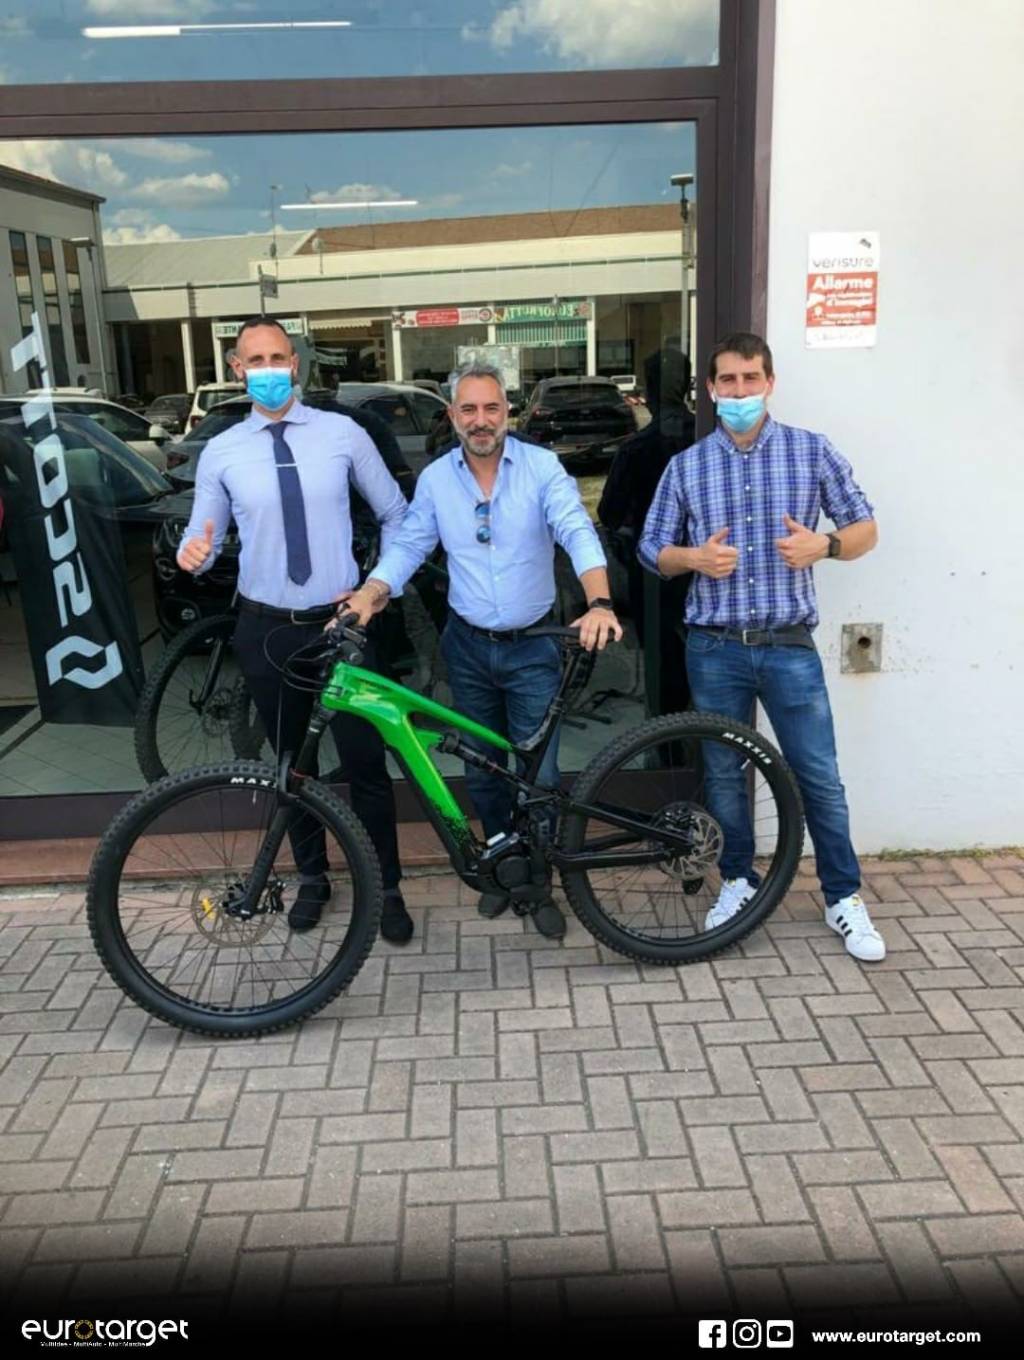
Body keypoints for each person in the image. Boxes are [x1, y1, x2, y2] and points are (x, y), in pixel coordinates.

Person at [342, 360, 623, 940]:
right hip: (467, 649)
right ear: (452, 416)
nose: (480, 420)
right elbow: (411, 543)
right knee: (484, 772)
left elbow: (576, 530)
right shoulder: (437, 480)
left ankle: (540, 882)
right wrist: (371, 592)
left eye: (491, 408)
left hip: (533, 648)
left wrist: (598, 601)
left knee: (539, 776)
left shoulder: (541, 468)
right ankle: (502, 869)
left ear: (507, 412)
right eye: (468, 409)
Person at [638, 331, 884, 962]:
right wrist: (693, 558)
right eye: (728, 380)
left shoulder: (811, 451)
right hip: (714, 647)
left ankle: (842, 896)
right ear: (711, 389)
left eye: (751, 378)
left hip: (787, 646)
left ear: (769, 382)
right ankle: (738, 881)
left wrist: (826, 545)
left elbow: (866, 528)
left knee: (818, 775)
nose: (740, 390)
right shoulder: (687, 466)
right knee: (724, 772)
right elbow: (650, 549)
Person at [176, 316, 414, 944]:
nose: (269, 371)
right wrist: (192, 551)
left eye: (278, 358)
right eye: (255, 360)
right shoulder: (223, 450)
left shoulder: (343, 434)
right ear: (237, 369)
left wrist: (376, 587)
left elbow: (398, 515)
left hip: (343, 630)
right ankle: (313, 878)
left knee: (366, 764)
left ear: (295, 364)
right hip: (268, 631)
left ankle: (386, 886)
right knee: (289, 769)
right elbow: (204, 532)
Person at [598, 348, 696, 717]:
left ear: (650, 390)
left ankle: (666, 738)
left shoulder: (638, 448)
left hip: (655, 577)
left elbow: (608, 513)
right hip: (699, 569)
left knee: (662, 664)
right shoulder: (707, 438)